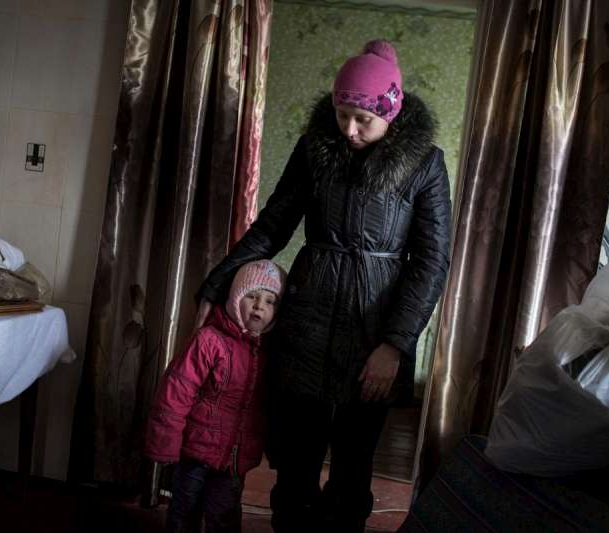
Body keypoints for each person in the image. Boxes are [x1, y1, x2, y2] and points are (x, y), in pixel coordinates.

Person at [194, 39, 452, 532]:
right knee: (295, 459)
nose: (350, 131)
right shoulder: (314, 149)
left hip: (375, 329)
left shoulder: (425, 163)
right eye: (342, 115)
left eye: (364, 120)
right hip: (307, 321)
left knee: (354, 465)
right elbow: (272, 227)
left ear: (391, 113)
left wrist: (394, 345)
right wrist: (214, 287)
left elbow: (431, 262)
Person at [145, 259, 287, 533]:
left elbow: (273, 408)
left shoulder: (272, 354)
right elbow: (176, 391)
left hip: (234, 461)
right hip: (194, 453)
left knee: (225, 517)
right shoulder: (209, 340)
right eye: (252, 296)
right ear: (236, 298)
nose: (260, 306)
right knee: (184, 512)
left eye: (270, 301)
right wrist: (165, 442)